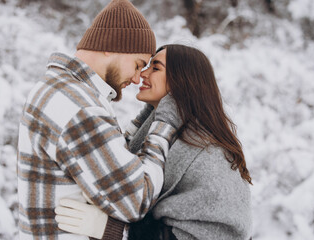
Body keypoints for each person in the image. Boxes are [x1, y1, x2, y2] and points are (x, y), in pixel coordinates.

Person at [17, 0, 182, 239]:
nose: (138, 78)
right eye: (137, 65)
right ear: (112, 44)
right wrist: (163, 126)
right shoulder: (80, 107)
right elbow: (137, 199)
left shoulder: (54, 87)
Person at [55, 44, 253, 240]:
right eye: (146, 65)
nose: (142, 73)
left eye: (155, 68)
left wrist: (115, 231)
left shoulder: (208, 152)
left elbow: (215, 234)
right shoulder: (152, 132)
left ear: (183, 79)